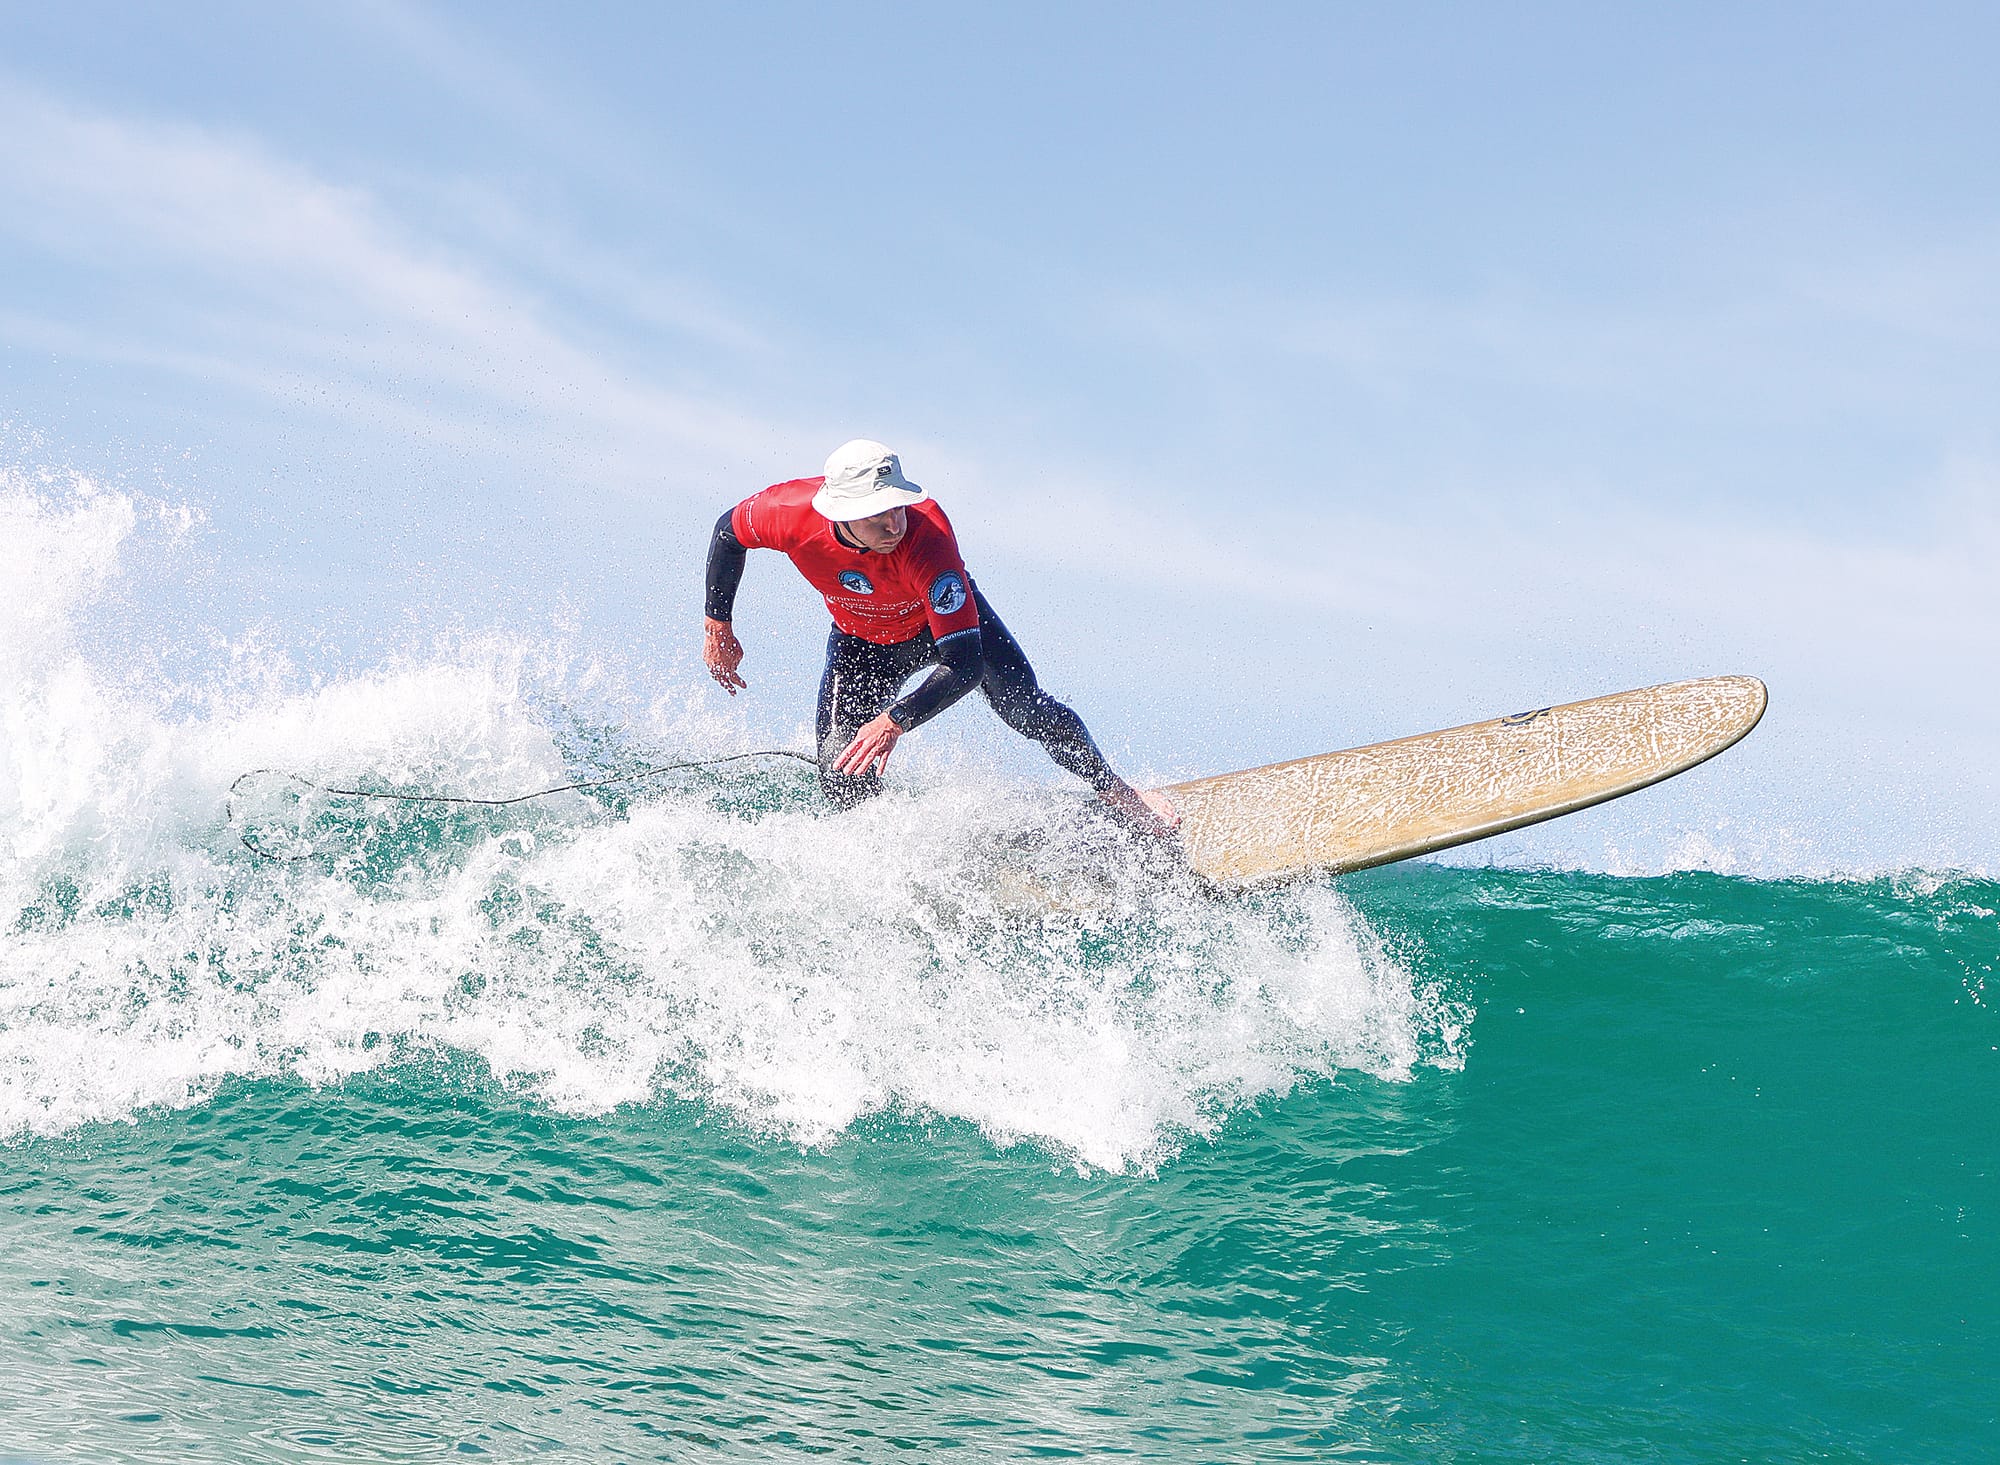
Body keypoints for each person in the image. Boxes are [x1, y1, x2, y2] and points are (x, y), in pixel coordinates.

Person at [701, 439, 1177, 835]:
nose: (894, 524)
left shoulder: (928, 541)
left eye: (897, 507)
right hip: (861, 643)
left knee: (1023, 707)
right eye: (877, 515)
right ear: (841, 512)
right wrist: (717, 624)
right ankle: (884, 852)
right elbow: (728, 534)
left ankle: (1118, 792)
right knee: (841, 770)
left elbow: (964, 665)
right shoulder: (787, 512)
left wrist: (895, 721)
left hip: (941, 629)